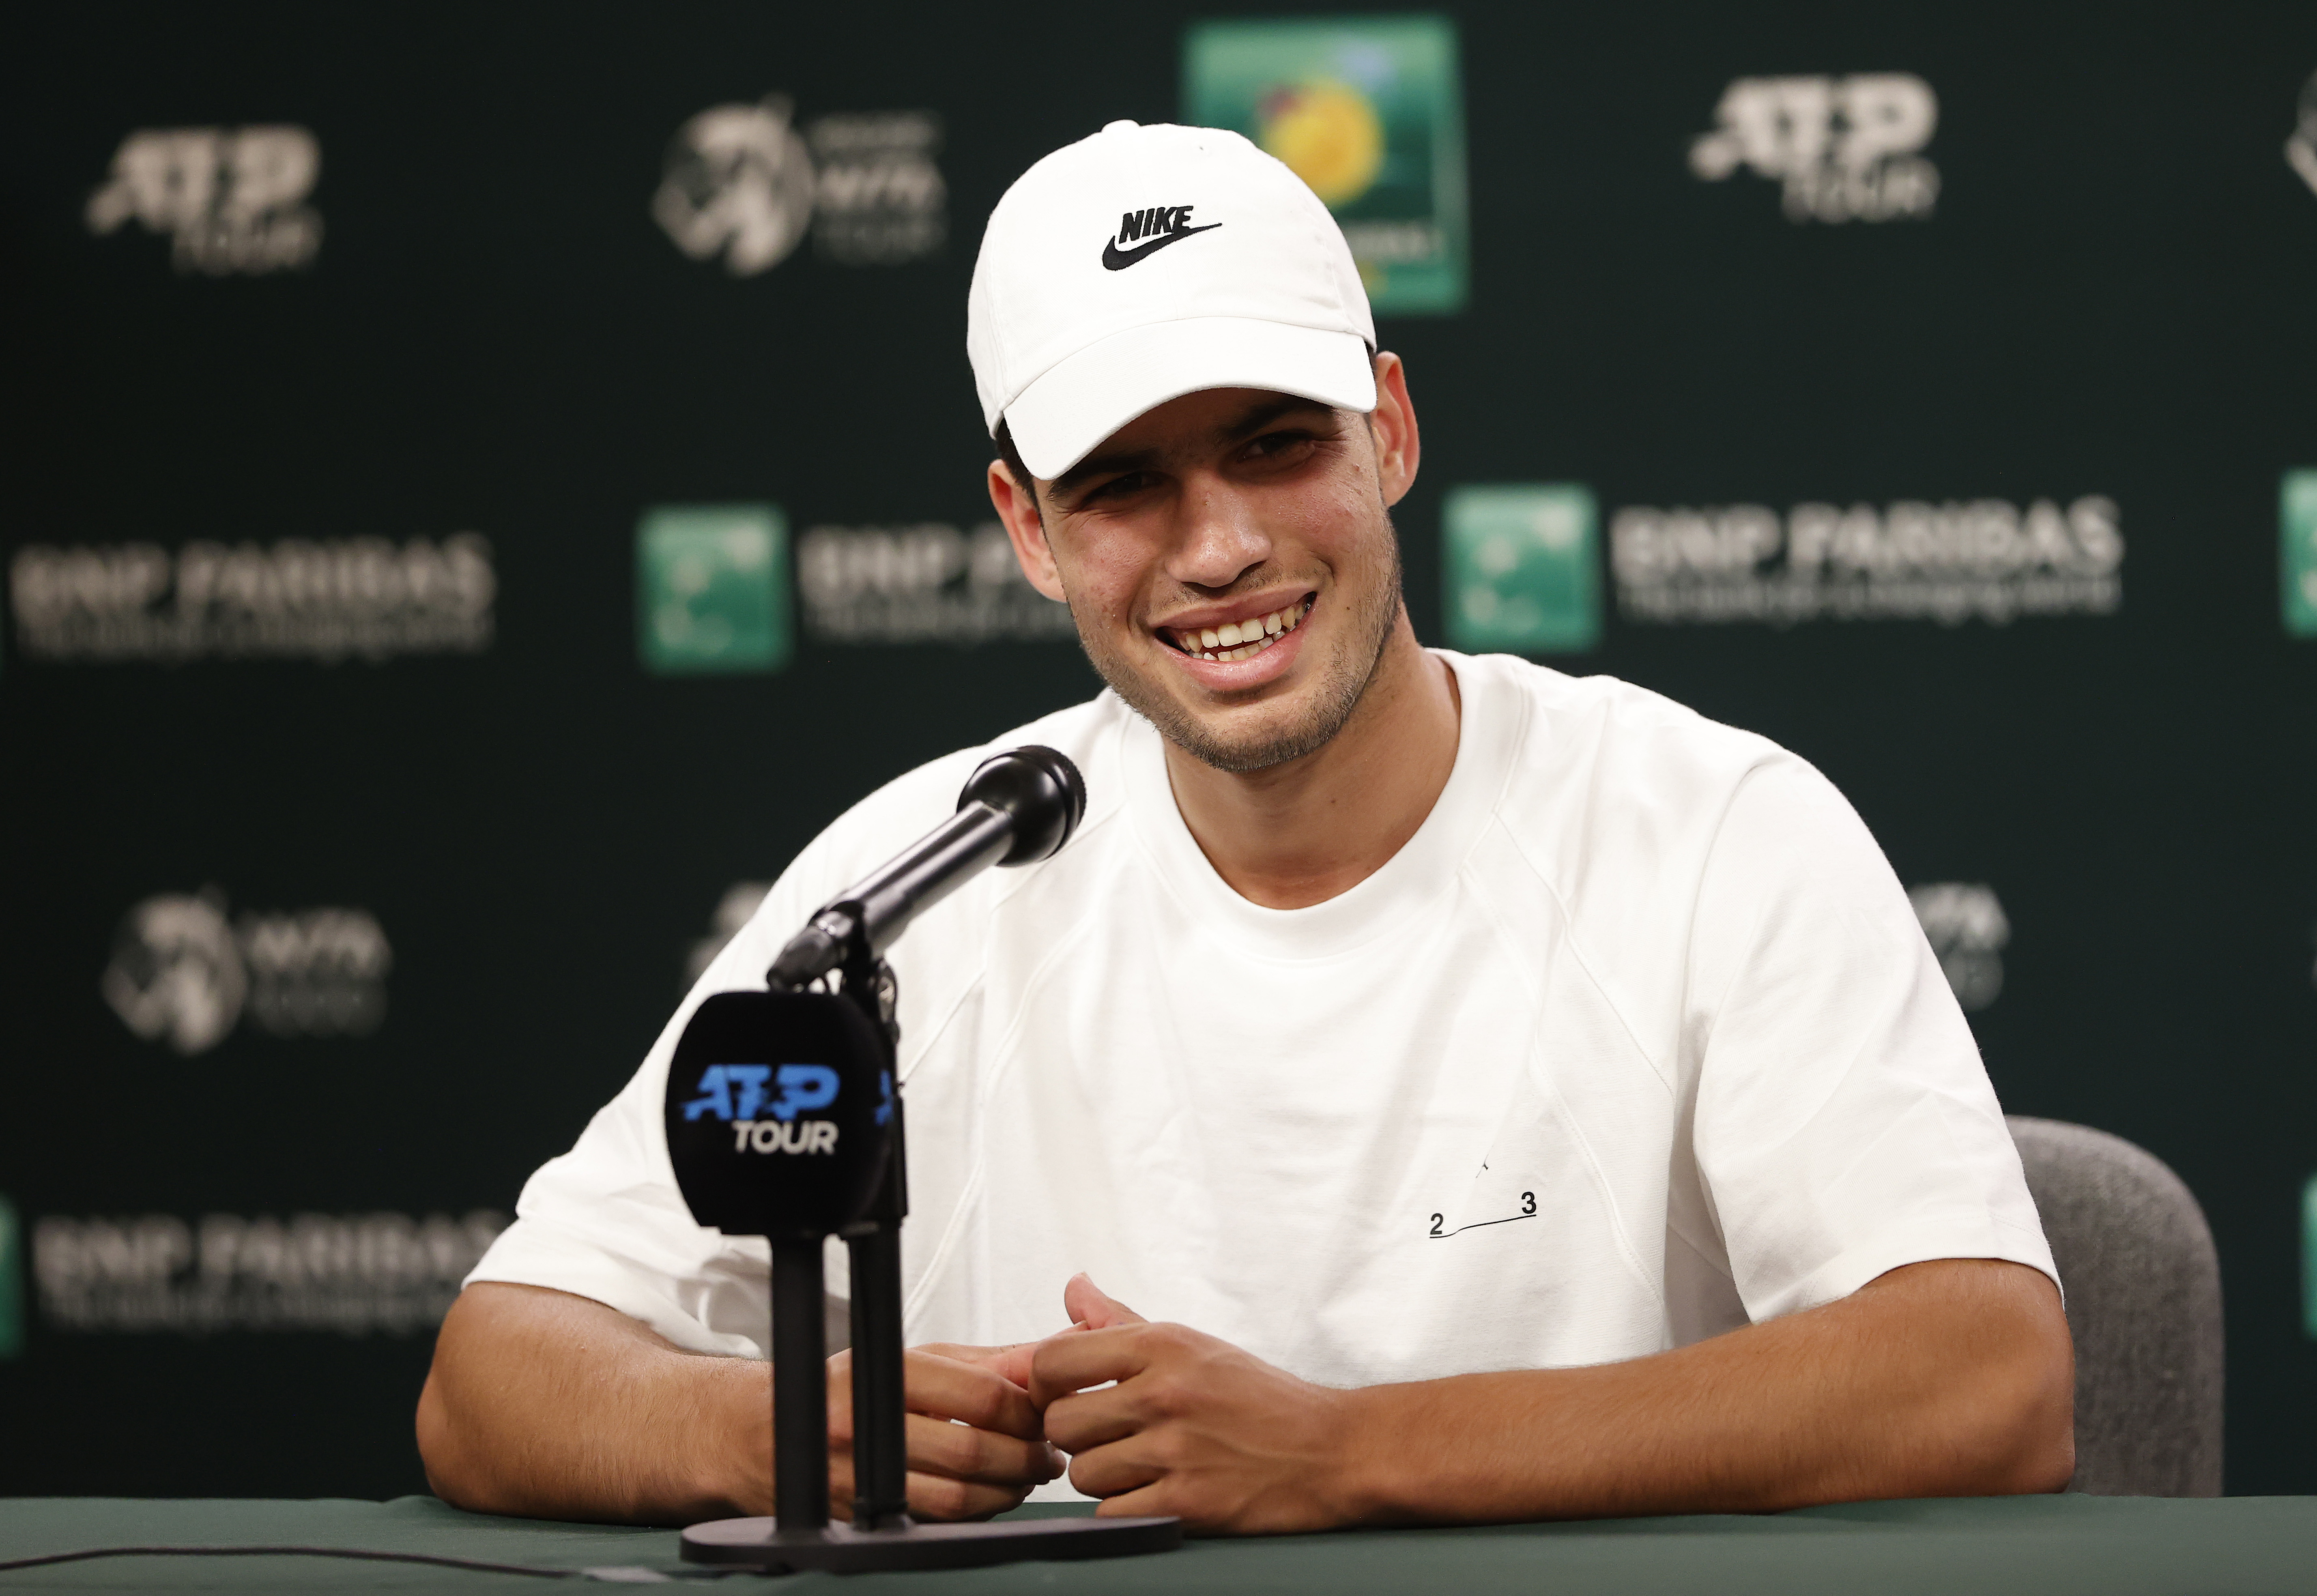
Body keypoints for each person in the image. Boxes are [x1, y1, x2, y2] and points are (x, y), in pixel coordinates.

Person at [417, 120, 2072, 1534]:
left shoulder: (1705, 830)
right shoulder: (921, 877)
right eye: (1125, 485)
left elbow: (1988, 1377)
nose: (1217, 550)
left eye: (1276, 449)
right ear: (1030, 530)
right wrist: (782, 1430)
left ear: (1391, 430)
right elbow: (495, 1376)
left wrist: (1347, 1454)